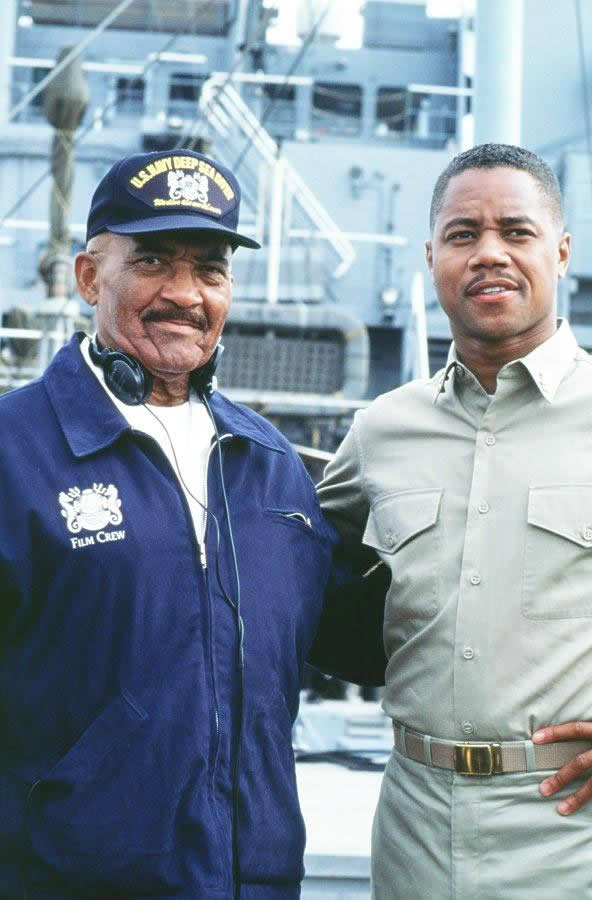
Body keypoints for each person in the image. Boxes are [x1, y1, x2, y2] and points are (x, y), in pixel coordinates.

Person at [0, 148, 374, 899]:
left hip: (254, 883)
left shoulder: (270, 465)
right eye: (152, 262)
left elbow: (382, 643)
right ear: (88, 277)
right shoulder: (15, 453)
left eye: (209, 269)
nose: (184, 293)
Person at [317, 143, 592, 897]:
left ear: (562, 252)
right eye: (463, 234)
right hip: (413, 827)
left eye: (517, 231)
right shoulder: (382, 430)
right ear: (432, 257)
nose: (489, 254)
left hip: (574, 833)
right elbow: (288, 566)